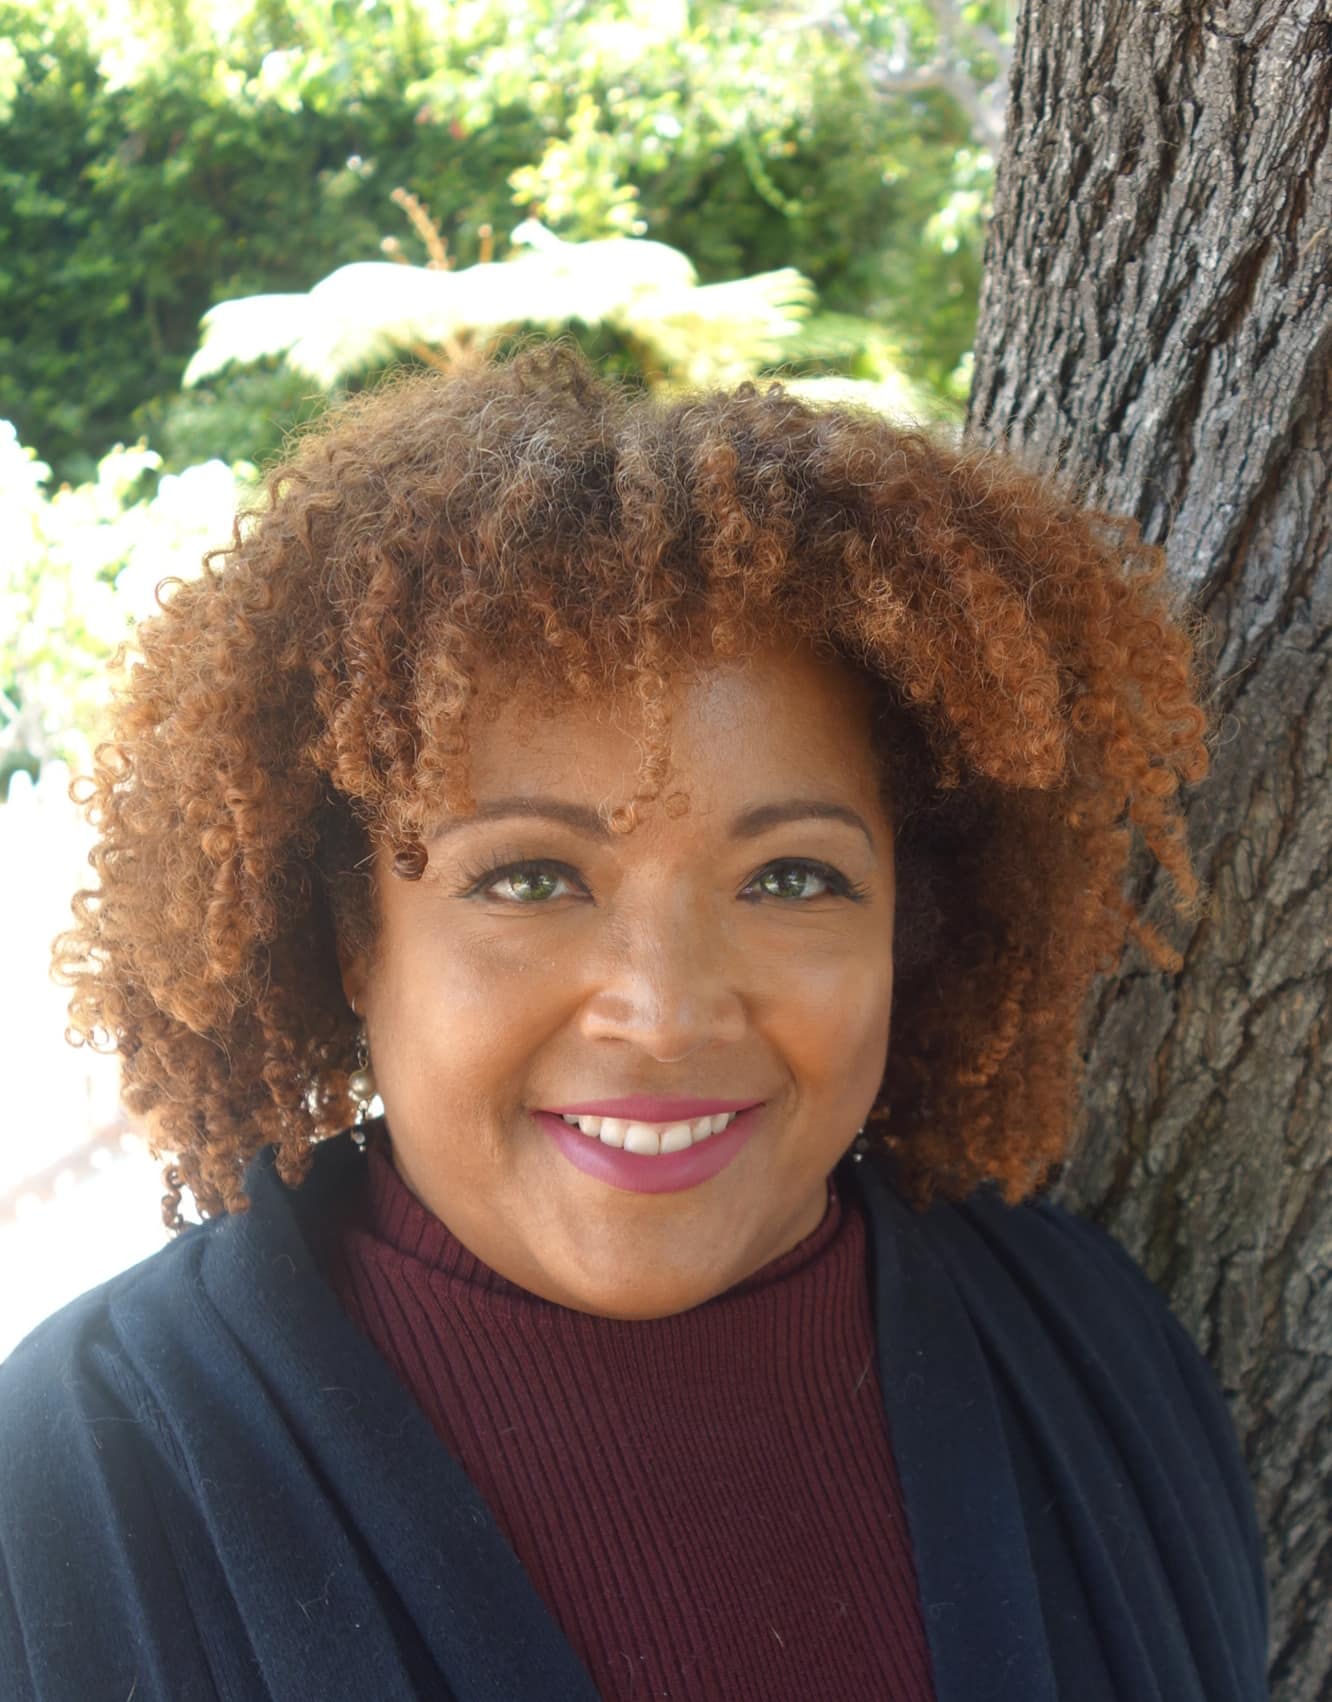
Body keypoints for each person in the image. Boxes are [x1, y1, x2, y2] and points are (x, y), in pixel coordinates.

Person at [0, 347, 1268, 1702]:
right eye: (529, 879)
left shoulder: (1088, 1351)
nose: (664, 1014)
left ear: (917, 915)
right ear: (353, 937)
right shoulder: (73, 1489)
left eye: (792, 879)